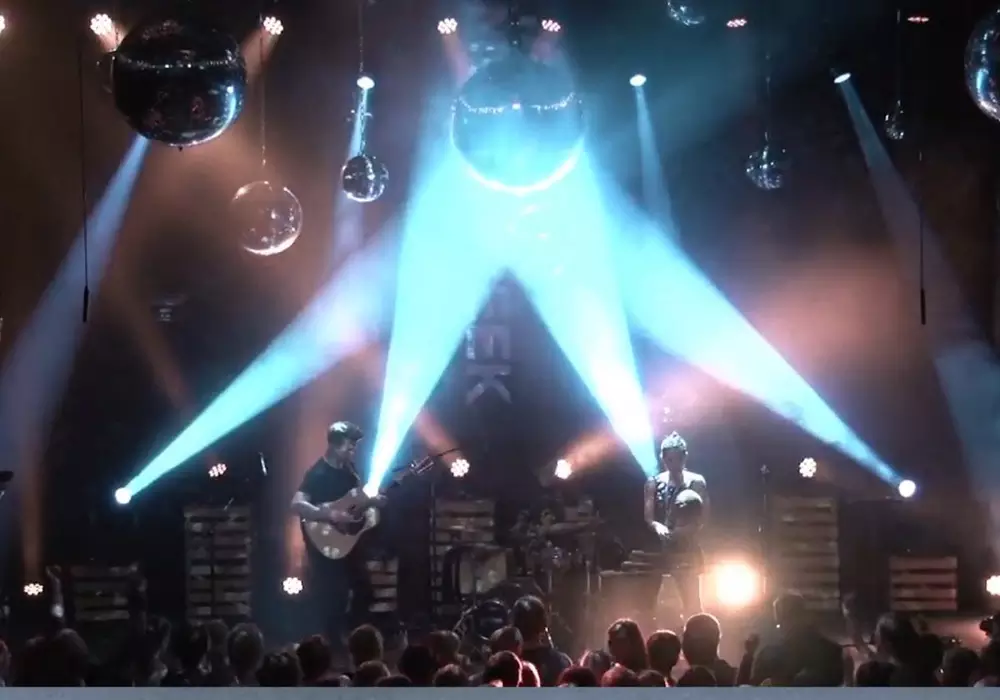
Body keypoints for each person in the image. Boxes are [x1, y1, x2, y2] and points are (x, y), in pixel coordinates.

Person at [290, 421, 384, 648]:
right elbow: (297, 504)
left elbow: (354, 507)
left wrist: (372, 503)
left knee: (365, 589)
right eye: (349, 445)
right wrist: (329, 514)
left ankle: (353, 637)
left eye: (355, 446)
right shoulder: (318, 473)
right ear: (334, 445)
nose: (353, 449)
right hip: (324, 543)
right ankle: (332, 643)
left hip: (348, 542)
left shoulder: (351, 472)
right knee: (334, 594)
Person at [643, 432, 708, 618]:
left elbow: (702, 517)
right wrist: (658, 527)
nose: (674, 464)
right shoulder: (653, 483)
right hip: (660, 550)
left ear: (685, 457)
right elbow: (649, 517)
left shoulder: (696, 481)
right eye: (669, 459)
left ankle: (696, 632)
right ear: (663, 459)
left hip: (686, 549)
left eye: (678, 458)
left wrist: (682, 532)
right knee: (656, 603)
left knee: (692, 602)